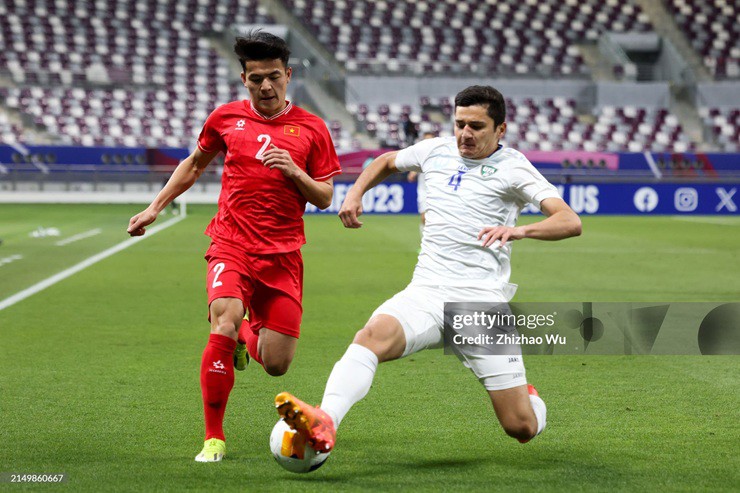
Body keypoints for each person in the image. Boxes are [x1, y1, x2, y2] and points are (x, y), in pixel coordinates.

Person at [274, 85, 582, 453]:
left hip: (480, 303)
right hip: (426, 291)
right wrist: (355, 194)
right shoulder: (436, 149)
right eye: (460, 124)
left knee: (520, 427)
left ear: (500, 129)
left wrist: (519, 229)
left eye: (477, 126)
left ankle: (530, 400)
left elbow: (569, 220)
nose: (465, 133)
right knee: (370, 338)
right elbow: (387, 161)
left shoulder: (514, 168)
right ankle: (326, 420)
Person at [127, 31, 341, 462]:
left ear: (288, 76)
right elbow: (194, 165)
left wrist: (295, 172)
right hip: (231, 243)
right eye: (257, 78)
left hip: (283, 255)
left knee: (277, 363)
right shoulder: (225, 118)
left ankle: (246, 335)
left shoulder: (313, 128)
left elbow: (324, 196)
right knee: (223, 320)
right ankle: (214, 438)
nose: (266, 86)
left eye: (274, 77)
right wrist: (155, 207)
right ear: (244, 78)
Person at [406, 131, 436, 240]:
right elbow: (412, 174)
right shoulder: (420, 156)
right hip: (423, 191)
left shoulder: (439, 157)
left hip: (437, 191)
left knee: (436, 220)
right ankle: (424, 243)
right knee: (424, 218)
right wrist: (412, 173)